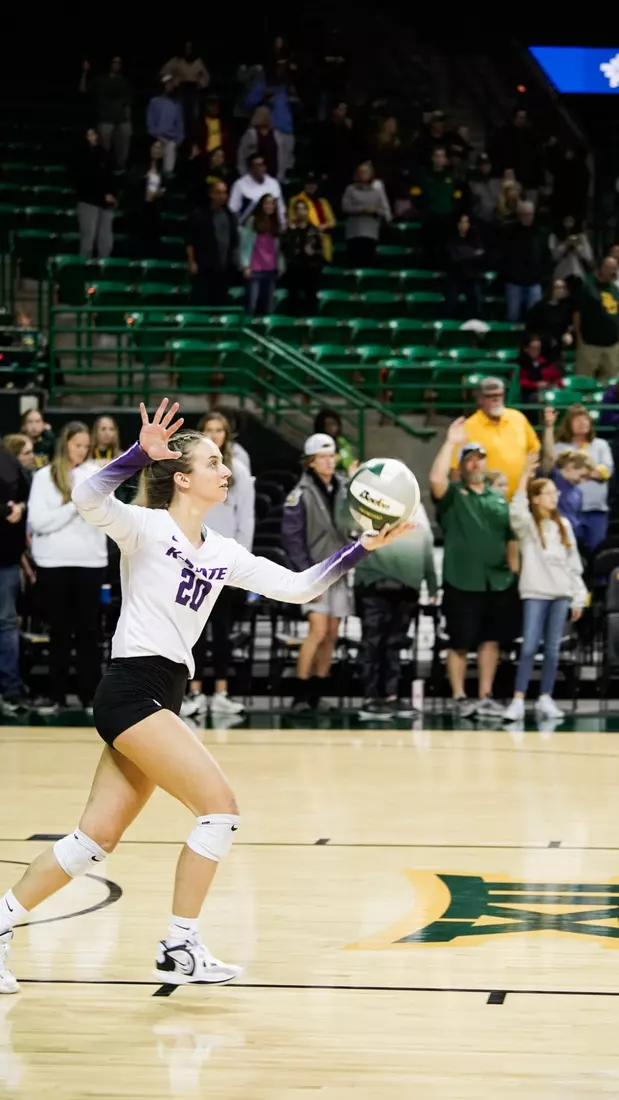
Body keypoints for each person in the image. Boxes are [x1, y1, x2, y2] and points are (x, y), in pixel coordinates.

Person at [0, 398, 410, 994]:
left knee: (93, 841)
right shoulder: (146, 527)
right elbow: (88, 494)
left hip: (163, 692)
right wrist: (139, 453)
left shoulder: (222, 552)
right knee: (219, 808)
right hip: (132, 688)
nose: (228, 470)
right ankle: (179, 945)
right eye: (215, 461)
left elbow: (297, 589)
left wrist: (360, 549)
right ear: (183, 478)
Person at [431, 418, 518, 719]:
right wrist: (450, 442)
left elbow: (510, 537)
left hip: (496, 581)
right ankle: (459, 697)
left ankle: (485, 695)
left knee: (490, 641)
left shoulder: (498, 498)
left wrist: (512, 572)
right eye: (469, 459)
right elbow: (436, 480)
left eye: (478, 458)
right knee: (460, 643)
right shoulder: (454, 495)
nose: (475, 464)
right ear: (462, 466)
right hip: (461, 580)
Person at [27, 422, 107, 715]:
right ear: (65, 444)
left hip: (90, 562)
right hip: (53, 563)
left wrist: (85, 506)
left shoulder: (96, 474)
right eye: (77, 445)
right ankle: (56, 695)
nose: (82, 451)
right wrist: (74, 506)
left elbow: (104, 516)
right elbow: (38, 523)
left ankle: (90, 697)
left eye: (86, 446)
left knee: (89, 632)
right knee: (59, 631)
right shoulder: (42, 478)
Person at [181, 413, 255, 719]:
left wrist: (240, 561)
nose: (214, 434)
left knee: (222, 630)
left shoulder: (237, 471)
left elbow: (245, 520)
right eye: (209, 430)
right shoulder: (192, 471)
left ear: (227, 435)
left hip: (225, 563)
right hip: (195, 561)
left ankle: (222, 692)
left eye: (219, 430)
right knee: (194, 632)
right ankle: (194, 692)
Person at [502, 456, 587, 723]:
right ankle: (518, 699)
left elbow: (573, 565)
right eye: (549, 493)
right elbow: (516, 510)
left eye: (555, 492)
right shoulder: (528, 527)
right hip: (536, 593)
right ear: (536, 498)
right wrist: (525, 476)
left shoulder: (564, 527)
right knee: (529, 647)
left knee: (552, 649)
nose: (555, 496)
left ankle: (546, 697)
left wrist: (578, 597)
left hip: (561, 594)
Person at [282, 433, 353, 713]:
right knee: (318, 630)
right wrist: (308, 574)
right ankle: (300, 693)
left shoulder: (346, 488)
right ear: (310, 462)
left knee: (333, 633)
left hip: (341, 570)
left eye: (331, 455)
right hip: (316, 571)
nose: (329, 461)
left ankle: (319, 691)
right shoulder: (299, 494)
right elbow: (291, 539)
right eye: (322, 457)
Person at [355, 505, 437, 719]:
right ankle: (370, 697)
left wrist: (432, 585)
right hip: (374, 587)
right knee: (372, 642)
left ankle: (391, 695)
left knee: (395, 643)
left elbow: (427, 551)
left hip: (407, 590)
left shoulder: (418, 515)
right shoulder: (371, 512)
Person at [450, 376, 541, 499]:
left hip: (521, 498)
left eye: (500, 395)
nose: (496, 399)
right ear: (480, 399)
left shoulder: (518, 418)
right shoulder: (468, 427)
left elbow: (534, 449)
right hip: (485, 501)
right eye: (490, 396)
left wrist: (530, 476)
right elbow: (456, 469)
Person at [544, 404, 613, 553]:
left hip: (596, 509)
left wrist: (575, 470)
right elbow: (551, 467)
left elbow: (605, 472)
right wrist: (589, 470)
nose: (583, 423)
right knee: (569, 552)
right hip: (567, 510)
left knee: (598, 552)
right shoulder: (560, 447)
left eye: (585, 420)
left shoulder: (601, 445)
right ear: (569, 425)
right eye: (578, 420)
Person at [0, 442, 29, 715]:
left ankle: (11, 691)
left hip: (6, 558)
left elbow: (25, 495)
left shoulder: (9, 460)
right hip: (8, 557)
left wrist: (19, 507)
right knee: (7, 626)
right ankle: (10, 691)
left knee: (7, 626)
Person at [187, 180, 239, 308]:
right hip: (204, 267)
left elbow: (234, 240)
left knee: (220, 302)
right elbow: (190, 241)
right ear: (211, 194)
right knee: (203, 301)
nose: (222, 196)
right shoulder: (199, 214)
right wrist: (192, 262)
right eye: (219, 193)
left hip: (224, 267)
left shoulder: (230, 215)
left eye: (224, 193)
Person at [412, 146, 463, 270]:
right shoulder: (423, 175)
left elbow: (458, 196)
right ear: (432, 158)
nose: (439, 159)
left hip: (447, 218)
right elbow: (415, 195)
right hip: (429, 219)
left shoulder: (453, 176)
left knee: (446, 248)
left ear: (446, 159)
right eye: (437, 156)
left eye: (442, 156)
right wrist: (424, 210)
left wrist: (453, 209)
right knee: (429, 248)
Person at [73, 128, 117, 260]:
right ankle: (83, 271)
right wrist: (101, 195)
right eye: (89, 135)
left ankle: (103, 272)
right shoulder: (80, 156)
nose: (92, 138)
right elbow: (82, 180)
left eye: (94, 134)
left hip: (106, 204)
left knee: (106, 242)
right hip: (88, 201)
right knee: (88, 239)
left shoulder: (104, 154)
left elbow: (110, 176)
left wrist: (113, 195)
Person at [500, 201, 547, 322]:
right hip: (514, 281)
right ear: (519, 215)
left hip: (534, 281)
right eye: (525, 214)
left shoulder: (540, 233)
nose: (528, 217)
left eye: (530, 214)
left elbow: (544, 255)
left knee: (535, 318)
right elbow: (504, 256)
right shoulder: (509, 232)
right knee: (513, 316)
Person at [574, 257, 619, 382]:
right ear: (602, 268)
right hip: (590, 345)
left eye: (615, 269)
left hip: (612, 346)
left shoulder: (615, 289)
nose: (613, 272)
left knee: (611, 385)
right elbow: (577, 314)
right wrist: (579, 338)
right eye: (611, 269)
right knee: (583, 383)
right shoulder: (587, 287)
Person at [239, 194, 285, 317]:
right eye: (266, 203)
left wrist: (280, 266)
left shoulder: (277, 223)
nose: (269, 206)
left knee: (268, 306)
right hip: (254, 269)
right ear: (261, 205)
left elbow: (280, 249)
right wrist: (245, 265)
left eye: (272, 203)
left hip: (271, 269)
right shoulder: (252, 221)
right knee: (252, 305)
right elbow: (245, 245)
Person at [342, 161, 392, 267]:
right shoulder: (350, 190)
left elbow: (384, 210)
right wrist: (363, 209)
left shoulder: (377, 191)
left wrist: (375, 210)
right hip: (354, 232)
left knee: (368, 261)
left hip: (371, 233)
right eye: (362, 171)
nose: (364, 174)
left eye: (367, 171)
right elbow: (345, 207)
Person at [89, 56, 132, 171]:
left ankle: (121, 168)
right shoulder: (101, 80)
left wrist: (127, 118)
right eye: (114, 62)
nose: (117, 64)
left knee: (123, 146)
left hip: (121, 119)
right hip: (105, 118)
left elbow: (127, 102)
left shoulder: (125, 81)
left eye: (119, 62)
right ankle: (103, 169)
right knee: (104, 149)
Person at [282, 199, 323, 315]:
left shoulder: (314, 230)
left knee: (311, 299)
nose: (301, 212)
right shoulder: (289, 230)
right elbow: (284, 247)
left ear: (307, 211)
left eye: (303, 209)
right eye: (298, 209)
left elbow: (320, 251)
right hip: (293, 270)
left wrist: (313, 253)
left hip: (310, 270)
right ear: (295, 212)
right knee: (293, 299)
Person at [161, 40, 209, 137]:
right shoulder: (176, 61)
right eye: (186, 47)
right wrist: (173, 80)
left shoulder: (198, 62)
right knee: (179, 117)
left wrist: (201, 83)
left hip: (194, 92)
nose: (188, 50)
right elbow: (163, 74)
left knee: (194, 118)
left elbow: (206, 78)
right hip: (179, 92)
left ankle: (192, 139)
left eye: (190, 47)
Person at [228, 153, 286, 227]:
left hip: (271, 228)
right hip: (248, 228)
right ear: (251, 168)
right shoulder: (240, 185)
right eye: (257, 165)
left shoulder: (274, 183)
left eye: (262, 165)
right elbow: (233, 210)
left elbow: (281, 209)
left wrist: (283, 226)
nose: (260, 168)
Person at [288, 173, 336, 263]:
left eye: (314, 184)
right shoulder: (295, 200)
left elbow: (332, 222)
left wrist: (322, 227)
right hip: (303, 241)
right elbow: (292, 219)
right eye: (309, 184)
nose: (312, 187)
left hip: (321, 240)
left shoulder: (322, 201)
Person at [444, 213, 484, 319]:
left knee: (476, 301)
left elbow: (481, 256)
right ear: (457, 224)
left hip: (471, 276)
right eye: (462, 222)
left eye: (466, 222)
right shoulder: (451, 239)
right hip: (455, 276)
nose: (465, 225)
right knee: (450, 303)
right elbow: (453, 258)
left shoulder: (475, 238)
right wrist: (472, 253)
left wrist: (462, 252)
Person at [525, 278, 573, 364]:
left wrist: (568, 334)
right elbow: (530, 328)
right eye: (558, 287)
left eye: (563, 287)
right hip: (541, 348)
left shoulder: (566, 308)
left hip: (556, 350)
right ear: (551, 289)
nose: (561, 290)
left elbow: (567, 326)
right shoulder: (539, 307)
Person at [147, 77, 184, 178]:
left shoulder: (177, 104)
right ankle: (153, 174)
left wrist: (179, 139)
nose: (170, 86)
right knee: (157, 148)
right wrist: (155, 135)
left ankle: (167, 176)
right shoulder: (154, 102)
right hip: (157, 137)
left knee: (171, 146)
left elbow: (179, 124)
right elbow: (150, 122)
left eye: (171, 84)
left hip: (171, 138)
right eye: (168, 84)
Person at [237, 106, 282, 180]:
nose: (265, 117)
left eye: (267, 114)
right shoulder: (251, 134)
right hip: (254, 176)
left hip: (273, 176)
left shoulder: (276, 134)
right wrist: (244, 175)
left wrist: (280, 175)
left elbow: (281, 155)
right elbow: (241, 155)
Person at [518, 334, 563, 405]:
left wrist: (554, 384)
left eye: (538, 348)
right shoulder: (520, 364)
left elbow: (558, 379)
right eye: (533, 348)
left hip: (546, 392)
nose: (536, 351)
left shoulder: (545, 363)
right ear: (526, 349)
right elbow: (519, 381)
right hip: (526, 395)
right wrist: (536, 385)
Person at [548, 216, 594, 285]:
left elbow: (588, 257)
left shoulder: (582, 237)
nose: (569, 225)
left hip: (578, 274)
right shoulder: (554, 236)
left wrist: (577, 246)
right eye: (567, 221)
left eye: (571, 221)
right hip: (561, 275)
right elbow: (554, 256)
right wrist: (566, 244)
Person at [141, 140, 166, 257]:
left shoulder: (163, 171)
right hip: (141, 208)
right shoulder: (140, 166)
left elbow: (165, 188)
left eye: (160, 148)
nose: (158, 150)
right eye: (156, 147)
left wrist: (158, 193)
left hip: (155, 208)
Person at [313, 409, 356, 474]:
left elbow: (349, 460)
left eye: (335, 424)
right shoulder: (317, 443)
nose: (333, 427)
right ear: (321, 426)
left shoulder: (341, 441)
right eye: (329, 425)